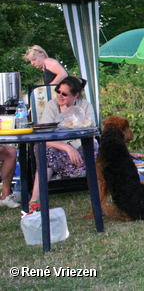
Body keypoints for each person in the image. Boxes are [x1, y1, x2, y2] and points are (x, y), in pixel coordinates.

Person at [28, 76, 97, 213]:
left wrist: (73, 146)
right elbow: (43, 136)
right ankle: (35, 199)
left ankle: (102, 190)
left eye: (64, 94)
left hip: (80, 146)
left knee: (94, 148)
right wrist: (67, 147)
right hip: (57, 147)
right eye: (58, 91)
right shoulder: (52, 105)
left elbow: (91, 130)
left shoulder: (85, 106)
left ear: (75, 95)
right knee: (45, 152)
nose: (59, 96)